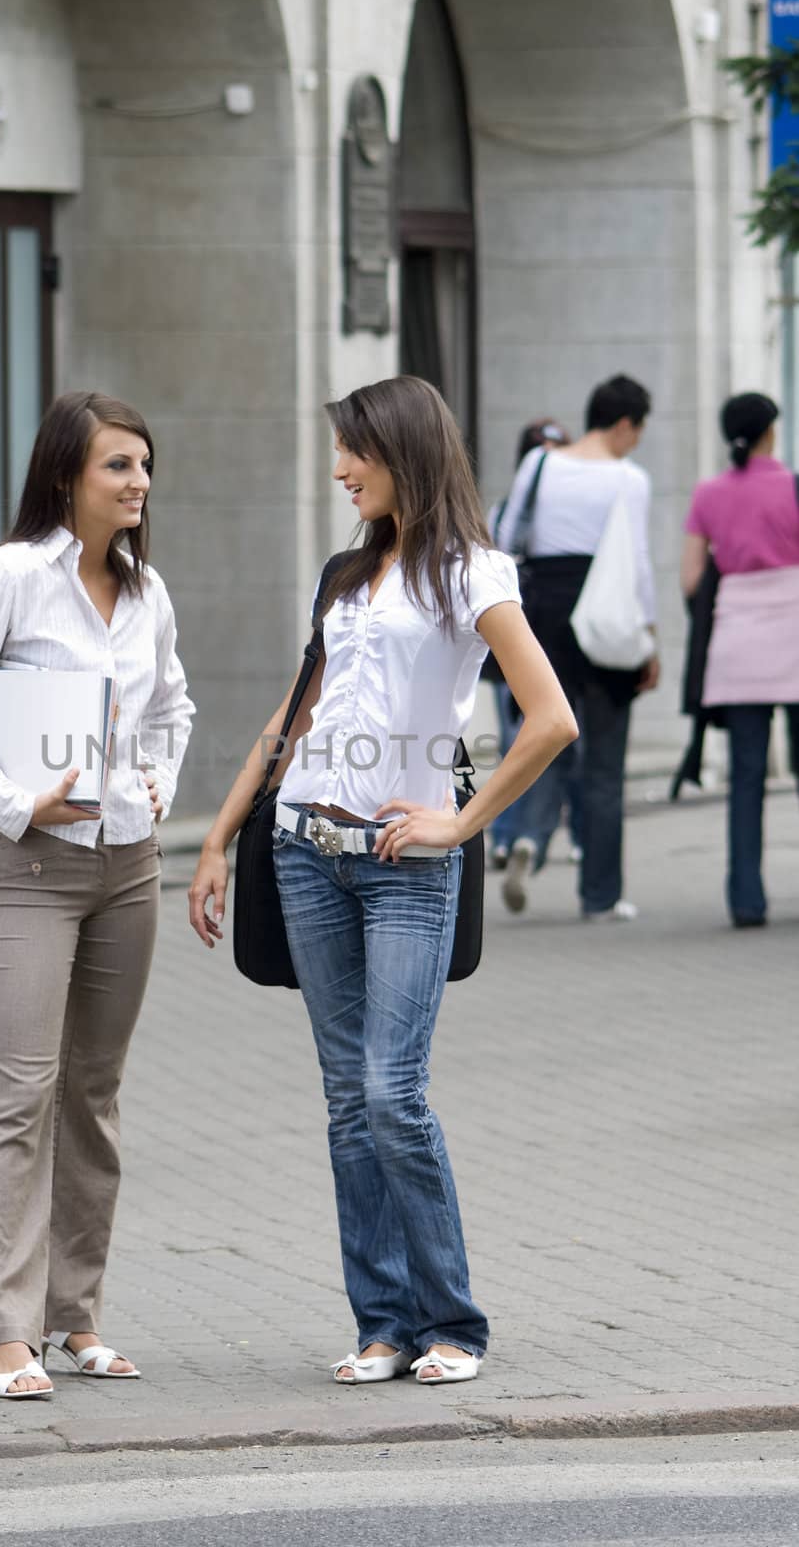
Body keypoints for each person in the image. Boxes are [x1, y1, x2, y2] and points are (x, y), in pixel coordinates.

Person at [187, 376, 577, 1387]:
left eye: (351, 451)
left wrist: (459, 819)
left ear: (403, 450)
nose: (337, 469)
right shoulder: (344, 573)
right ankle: (382, 1323)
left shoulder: (469, 571)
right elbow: (293, 716)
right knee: (344, 1102)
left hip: (407, 865)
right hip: (305, 849)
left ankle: (453, 1322)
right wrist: (218, 835)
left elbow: (550, 718)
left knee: (389, 1092)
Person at [0, 392, 195, 1398]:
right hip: (31, 870)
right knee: (19, 1095)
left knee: (93, 1097)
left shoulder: (145, 589)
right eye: (120, 465)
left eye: (146, 465)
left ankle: (76, 1317)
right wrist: (9, 803)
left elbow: (173, 702)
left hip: (129, 868)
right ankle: (3, 1330)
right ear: (67, 473)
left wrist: (159, 780)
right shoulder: (9, 578)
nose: (139, 482)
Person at [495, 374, 660, 921]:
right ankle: (601, 895)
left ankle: (526, 838)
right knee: (605, 766)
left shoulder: (539, 465)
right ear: (622, 425)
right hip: (605, 618)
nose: (635, 442)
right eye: (637, 431)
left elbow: (507, 543)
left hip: (544, 617)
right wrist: (649, 637)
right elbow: (634, 564)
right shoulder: (628, 478)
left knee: (542, 741)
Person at [681, 392, 799, 927]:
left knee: (746, 778)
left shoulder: (709, 494)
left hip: (737, 642)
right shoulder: (793, 487)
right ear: (771, 431)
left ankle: (747, 901)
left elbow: (689, 579)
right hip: (793, 635)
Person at [486, 419, 581, 871]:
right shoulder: (504, 513)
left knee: (553, 735)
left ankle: (543, 834)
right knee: (514, 740)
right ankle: (507, 837)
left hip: (548, 637)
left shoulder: (566, 517)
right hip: (516, 639)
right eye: (541, 452)